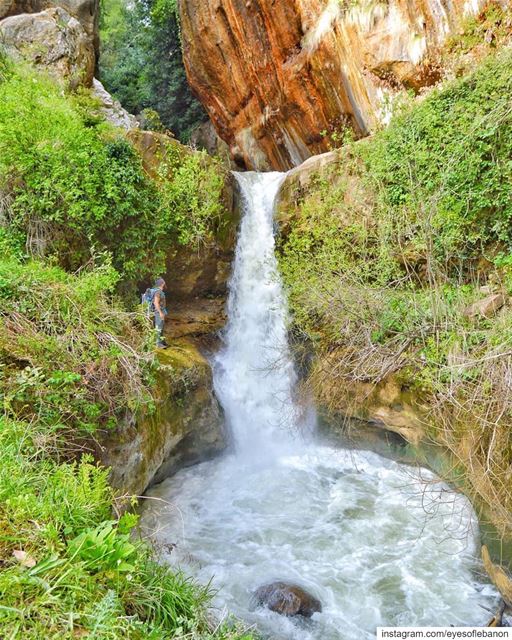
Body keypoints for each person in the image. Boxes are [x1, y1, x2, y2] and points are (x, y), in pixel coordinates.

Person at [152, 277, 168, 348]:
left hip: (161, 311)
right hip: (158, 312)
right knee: (158, 327)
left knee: (161, 326)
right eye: (163, 282)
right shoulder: (158, 292)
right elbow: (156, 302)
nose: (164, 283)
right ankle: (158, 344)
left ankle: (162, 341)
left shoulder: (159, 291)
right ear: (162, 284)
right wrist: (160, 313)